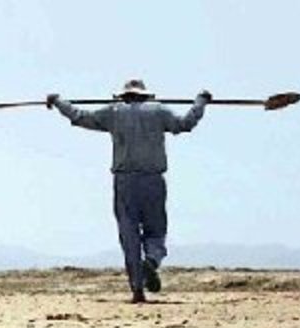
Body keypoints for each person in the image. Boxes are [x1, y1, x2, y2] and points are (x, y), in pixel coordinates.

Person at [47, 79, 211, 303]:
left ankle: (137, 289)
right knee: (156, 230)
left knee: (129, 235)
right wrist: (200, 102)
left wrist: (58, 101)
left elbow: (79, 116)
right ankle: (151, 261)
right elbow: (185, 124)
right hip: (153, 180)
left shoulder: (113, 112)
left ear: (124, 96)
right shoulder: (159, 111)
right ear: (145, 95)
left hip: (124, 182)